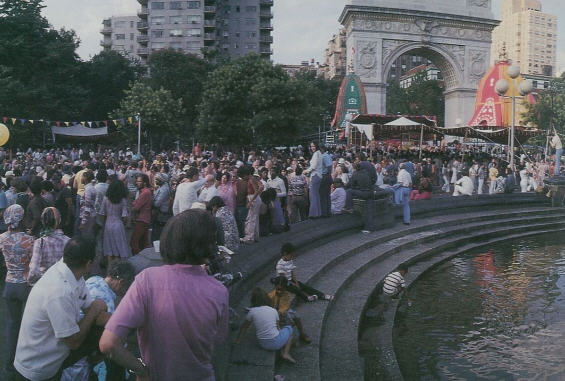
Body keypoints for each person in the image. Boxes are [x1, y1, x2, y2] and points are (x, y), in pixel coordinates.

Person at [99, 209, 229, 381]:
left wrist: (141, 370)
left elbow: (108, 343)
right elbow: (218, 338)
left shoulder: (147, 280)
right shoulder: (219, 291)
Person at [14, 237, 108, 381]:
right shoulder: (59, 291)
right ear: (89, 264)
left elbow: (90, 308)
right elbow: (73, 342)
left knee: (106, 330)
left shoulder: (74, 273)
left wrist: (116, 321)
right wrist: (96, 311)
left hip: (52, 361)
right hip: (36, 369)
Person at [61, 260, 136, 381]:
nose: (125, 292)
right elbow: (114, 340)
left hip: (67, 336)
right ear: (121, 282)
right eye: (126, 288)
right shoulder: (108, 302)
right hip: (80, 351)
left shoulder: (94, 279)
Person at [0, 205, 34, 379]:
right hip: (26, 286)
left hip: (9, 285)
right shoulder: (30, 240)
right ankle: (27, 362)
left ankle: (8, 364)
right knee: (29, 326)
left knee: (12, 324)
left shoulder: (2, 238)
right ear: (22, 218)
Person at [234, 288, 296, 364]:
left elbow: (244, 327)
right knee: (289, 329)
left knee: (280, 333)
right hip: (276, 342)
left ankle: (283, 346)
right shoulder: (273, 311)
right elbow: (277, 328)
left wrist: (238, 340)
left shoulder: (252, 311)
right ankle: (285, 353)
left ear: (253, 300)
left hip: (263, 344)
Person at [28, 207, 71, 285]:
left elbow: (33, 271)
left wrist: (31, 281)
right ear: (59, 220)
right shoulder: (68, 241)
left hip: (45, 283)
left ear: (43, 222)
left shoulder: (40, 242)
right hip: (64, 283)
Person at [269, 276, 311, 344]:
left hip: (282, 312)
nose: (279, 291)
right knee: (287, 322)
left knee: (296, 316)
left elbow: (285, 306)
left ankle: (302, 334)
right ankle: (287, 338)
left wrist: (280, 312)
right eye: (278, 289)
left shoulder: (287, 294)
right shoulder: (271, 295)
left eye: (282, 289)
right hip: (273, 314)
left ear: (285, 288)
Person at [100, 180, 131, 265]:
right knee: (118, 249)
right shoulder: (123, 200)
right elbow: (124, 216)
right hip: (118, 224)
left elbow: (102, 213)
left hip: (108, 224)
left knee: (109, 249)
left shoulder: (105, 198)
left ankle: (109, 271)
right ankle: (117, 271)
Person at [131, 174, 152, 255]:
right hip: (144, 219)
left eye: (139, 181)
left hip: (142, 220)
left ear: (145, 183)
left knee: (134, 242)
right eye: (137, 181)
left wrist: (133, 204)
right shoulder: (144, 192)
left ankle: (137, 260)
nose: (137, 183)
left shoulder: (145, 193)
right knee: (143, 243)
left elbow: (136, 207)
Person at [304, 141, 323, 218]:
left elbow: (313, 166)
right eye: (311, 146)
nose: (312, 148)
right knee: (316, 195)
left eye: (313, 146)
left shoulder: (316, 154)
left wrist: (306, 171)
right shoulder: (319, 153)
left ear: (317, 146)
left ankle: (313, 214)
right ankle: (317, 213)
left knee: (313, 195)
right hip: (318, 176)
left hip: (315, 175)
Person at [151, 173, 171, 242]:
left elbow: (157, 204)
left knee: (158, 234)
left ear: (161, 180)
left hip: (161, 214)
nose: (155, 181)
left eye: (157, 180)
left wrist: (150, 201)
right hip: (160, 213)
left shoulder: (164, 190)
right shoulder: (162, 187)